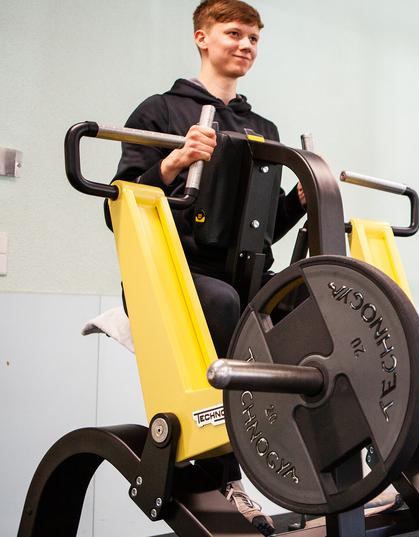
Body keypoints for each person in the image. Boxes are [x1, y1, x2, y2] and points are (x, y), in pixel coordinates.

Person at [112, 1, 306, 534]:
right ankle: (226, 477)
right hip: (174, 278)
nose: (246, 45)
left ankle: (322, 471)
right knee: (223, 303)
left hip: (244, 273)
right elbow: (121, 210)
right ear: (202, 37)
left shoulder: (261, 127)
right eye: (234, 33)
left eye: (254, 39)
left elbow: (265, 229)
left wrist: (298, 201)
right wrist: (173, 162)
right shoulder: (160, 112)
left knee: (311, 297)